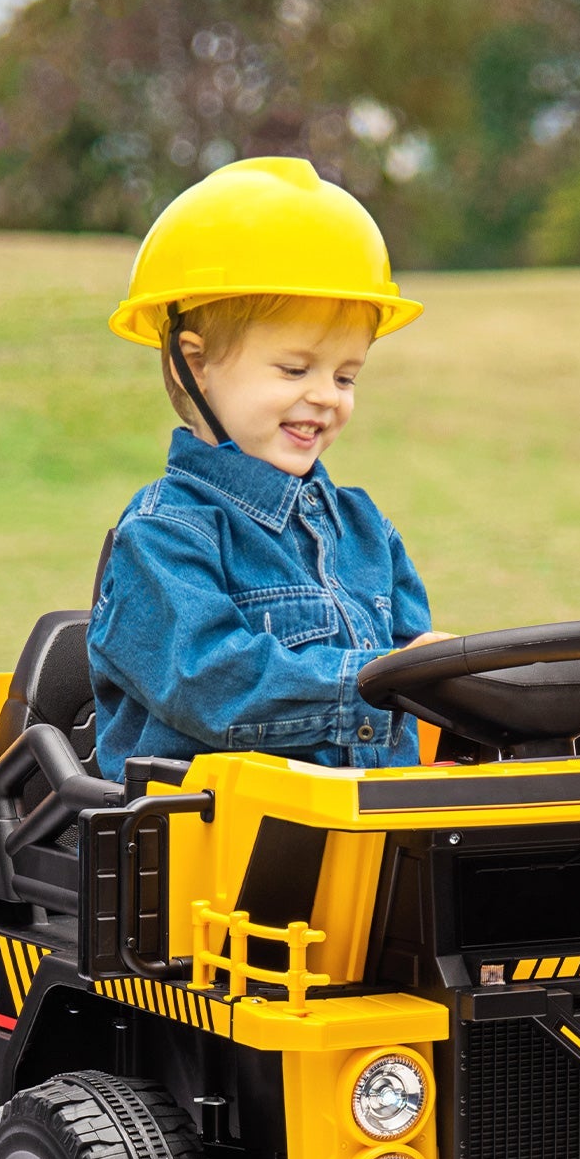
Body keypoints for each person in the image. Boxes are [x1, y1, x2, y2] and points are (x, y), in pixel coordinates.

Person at [88, 156, 446, 780]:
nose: (327, 396)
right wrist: (373, 683)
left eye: (345, 375)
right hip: (206, 855)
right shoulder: (164, 535)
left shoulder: (366, 530)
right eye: (294, 369)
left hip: (368, 842)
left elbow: (416, 673)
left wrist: (464, 680)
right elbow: (210, 680)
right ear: (192, 367)